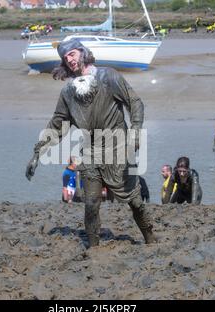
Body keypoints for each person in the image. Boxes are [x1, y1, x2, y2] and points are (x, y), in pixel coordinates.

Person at [25, 38, 157, 247]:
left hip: (119, 147)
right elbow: (57, 124)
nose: (69, 60)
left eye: (72, 54)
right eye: (65, 57)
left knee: (135, 201)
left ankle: (151, 240)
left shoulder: (108, 76)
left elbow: (135, 103)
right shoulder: (68, 91)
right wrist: (37, 154)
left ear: (82, 52)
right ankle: (94, 248)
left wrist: (136, 133)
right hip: (90, 151)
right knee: (91, 203)